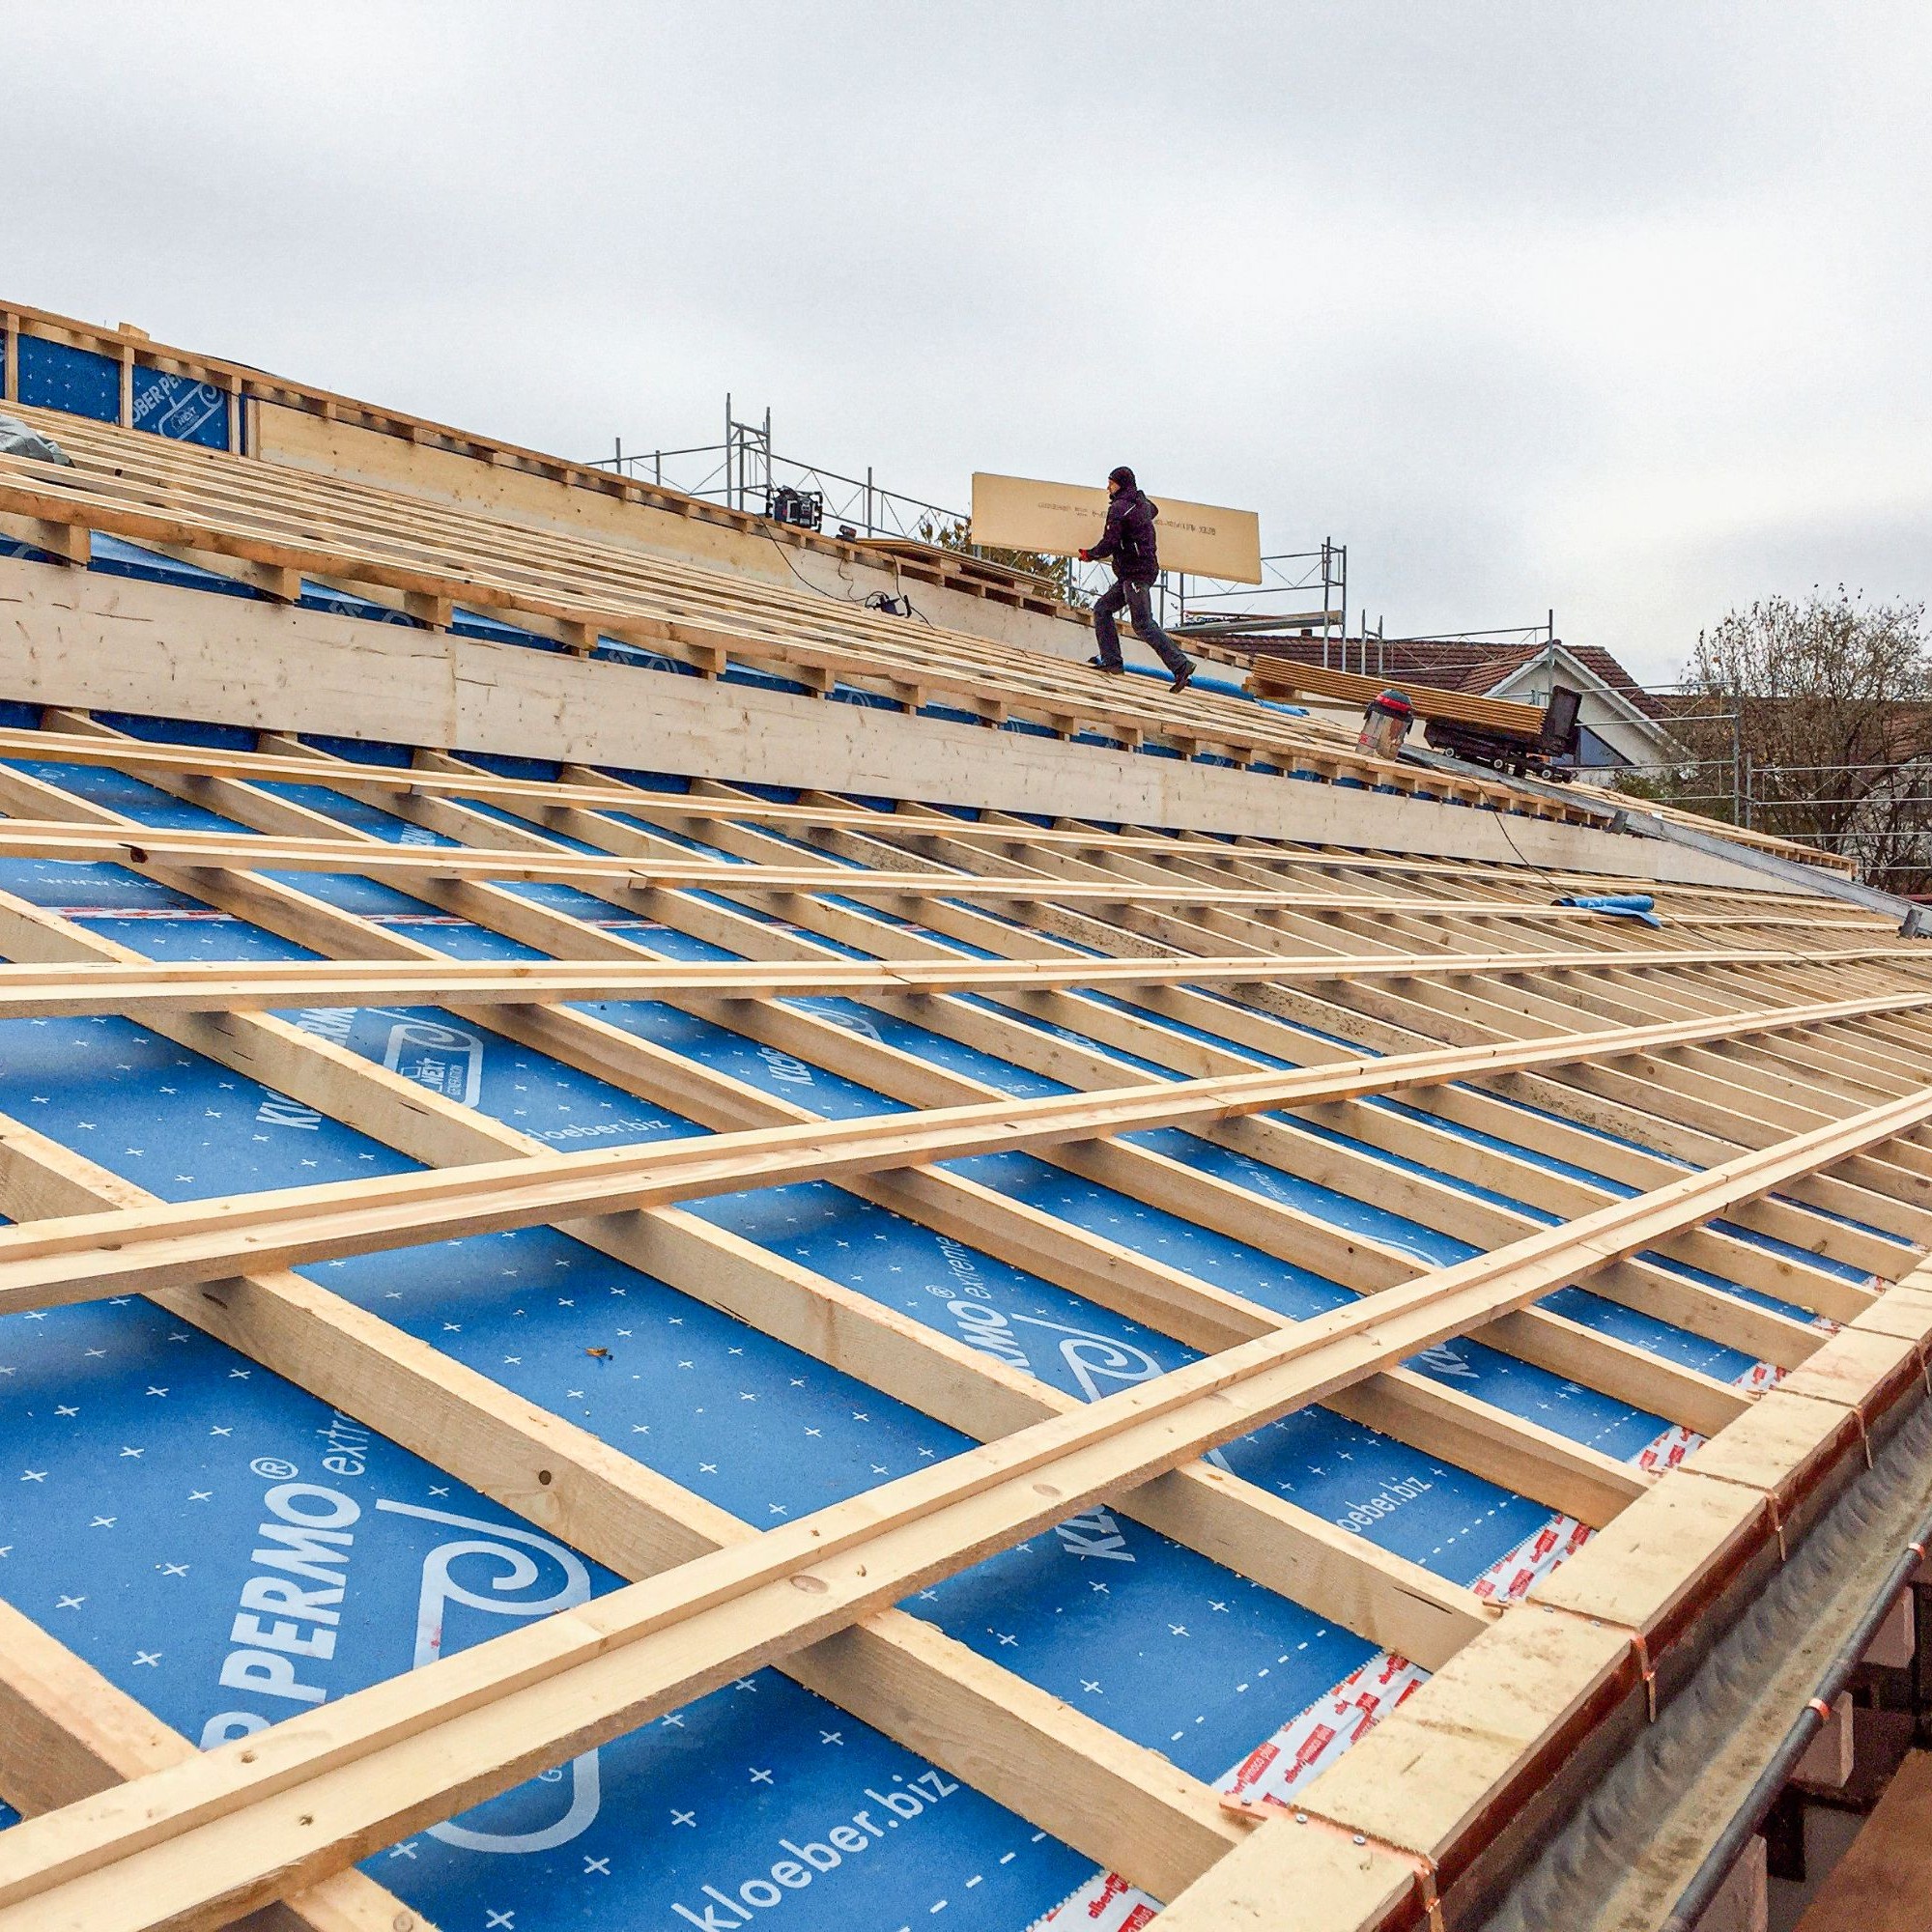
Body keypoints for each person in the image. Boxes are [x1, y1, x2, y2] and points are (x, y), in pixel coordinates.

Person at [1078, 466, 1195, 694]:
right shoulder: (1141, 504)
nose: (1107, 488)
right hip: (1134, 573)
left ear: (1120, 485)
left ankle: (1181, 666)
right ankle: (1112, 663)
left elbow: (1109, 543)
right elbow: (1154, 510)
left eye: (1111, 484)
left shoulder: (1119, 510)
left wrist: (1089, 554)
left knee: (1142, 623)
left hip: (1136, 574)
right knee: (1102, 609)